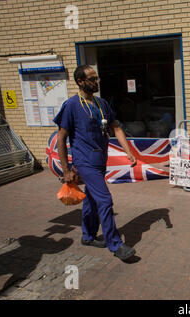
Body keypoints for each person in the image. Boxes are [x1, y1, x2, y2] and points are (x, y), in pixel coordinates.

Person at [54, 65, 138, 261]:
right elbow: (61, 138)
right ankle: (115, 244)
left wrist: (128, 152)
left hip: (100, 159)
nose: (97, 82)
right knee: (105, 200)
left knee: (92, 199)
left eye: (97, 78)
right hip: (85, 161)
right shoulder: (72, 105)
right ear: (80, 82)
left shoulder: (101, 104)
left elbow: (115, 127)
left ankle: (88, 236)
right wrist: (66, 170)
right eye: (92, 79)